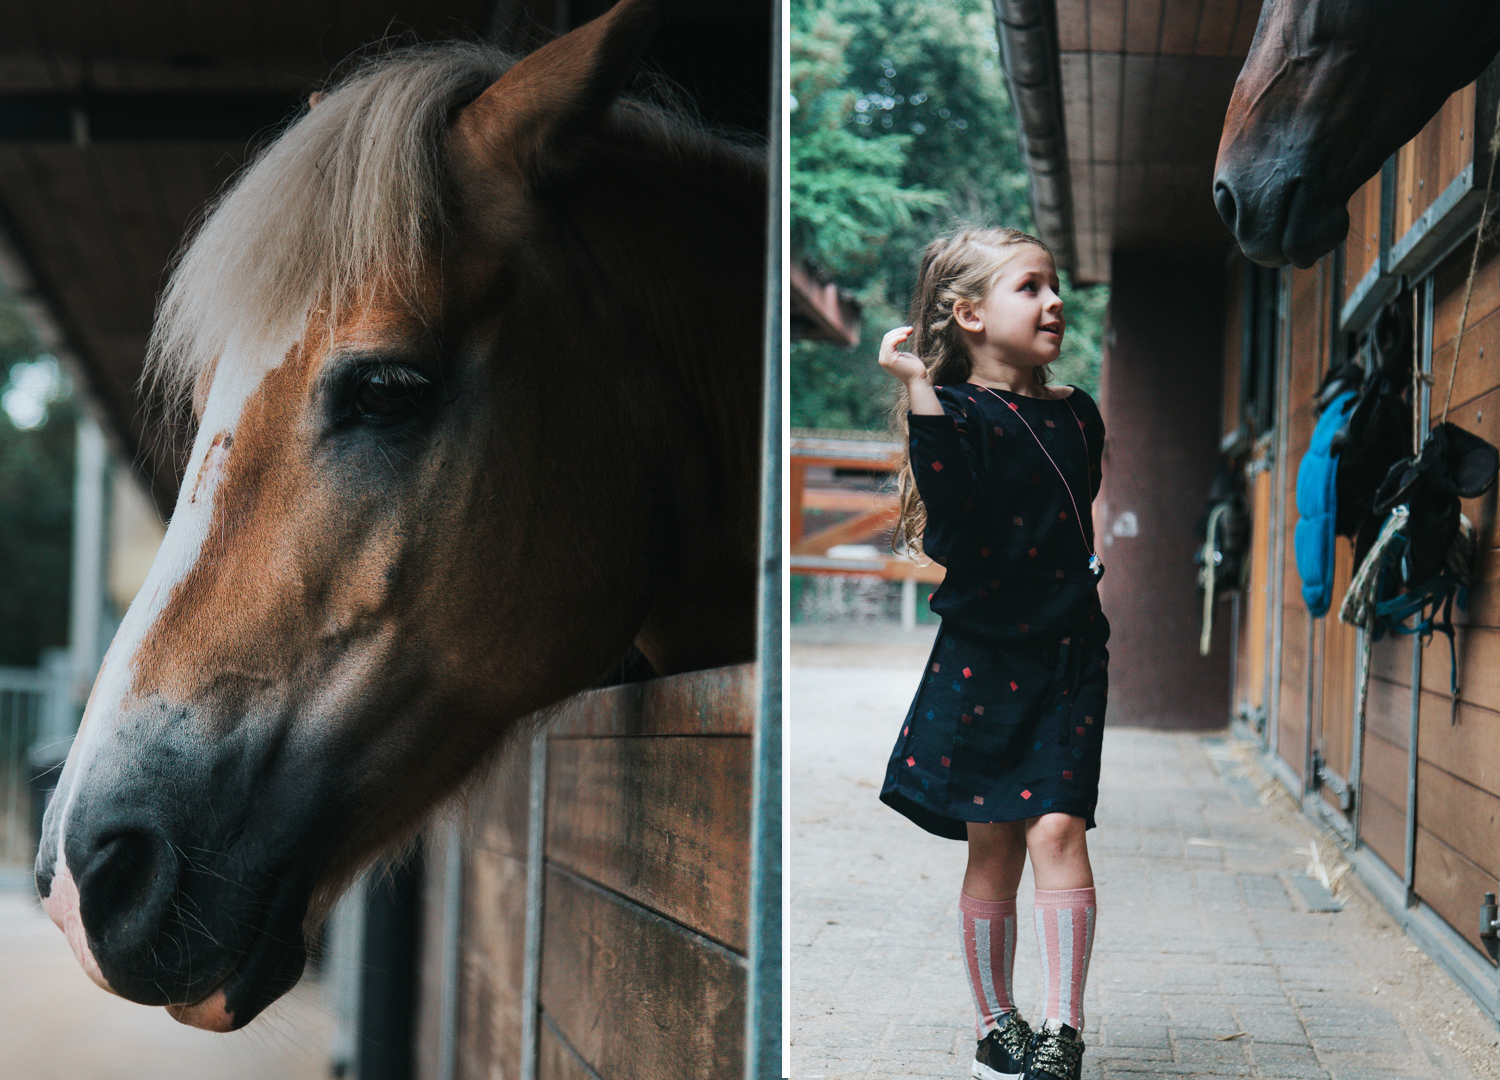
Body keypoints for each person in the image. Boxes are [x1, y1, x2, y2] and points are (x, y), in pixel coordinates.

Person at [877, 226, 1108, 1080]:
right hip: (983, 657)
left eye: (1055, 287)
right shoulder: (957, 415)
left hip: (1071, 651)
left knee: (1058, 824)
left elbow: (1065, 513)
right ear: (969, 314)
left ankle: (1063, 1031)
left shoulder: (1080, 411)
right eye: (1031, 288)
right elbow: (963, 527)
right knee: (996, 844)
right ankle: (994, 1020)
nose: (1054, 303)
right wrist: (917, 392)